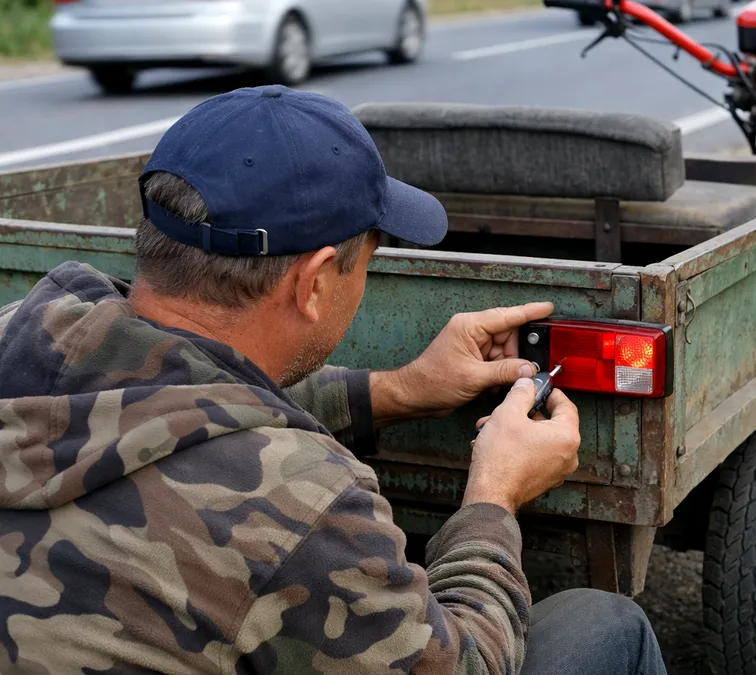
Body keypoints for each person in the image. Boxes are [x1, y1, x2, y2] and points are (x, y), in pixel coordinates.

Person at [0, 85, 667, 675]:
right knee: (604, 626)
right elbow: (458, 663)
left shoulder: (19, 333)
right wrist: (493, 497)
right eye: (366, 261)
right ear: (315, 281)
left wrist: (399, 389)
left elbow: (174, 406)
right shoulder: (303, 503)